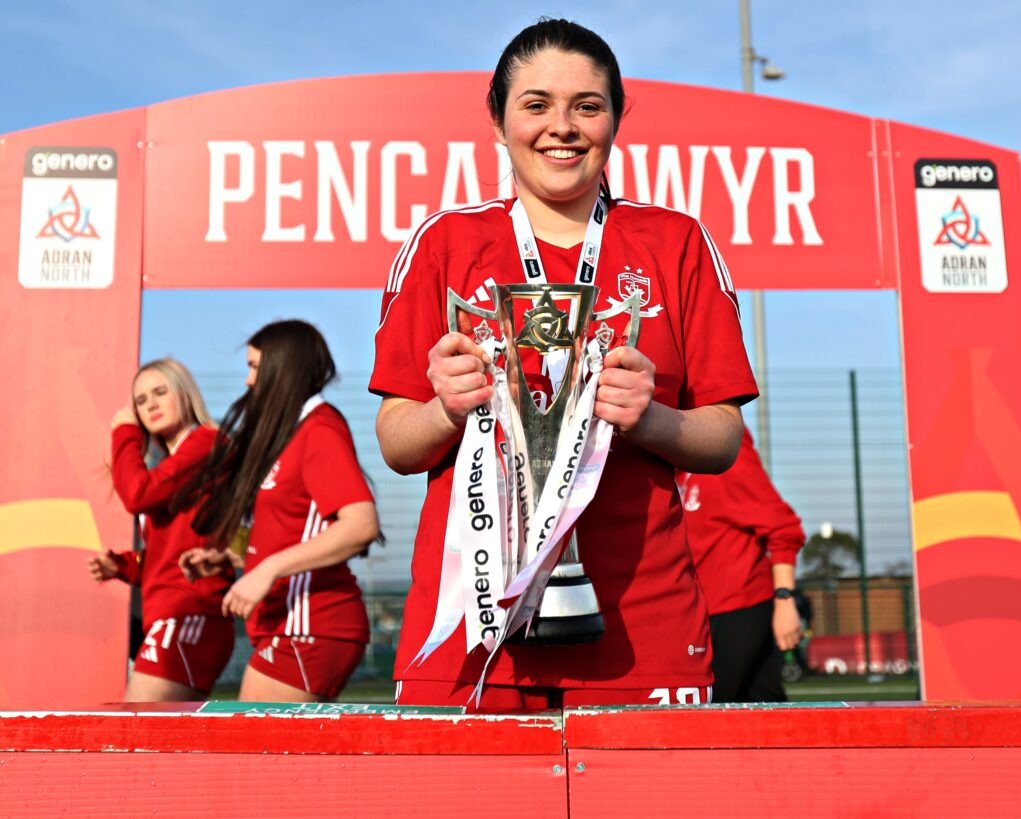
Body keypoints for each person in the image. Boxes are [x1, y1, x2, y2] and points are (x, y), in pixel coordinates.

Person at [370, 18, 758, 711]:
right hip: (473, 630)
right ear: (498, 119)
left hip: (645, 627)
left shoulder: (676, 241)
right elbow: (397, 441)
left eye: (588, 105)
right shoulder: (444, 242)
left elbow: (722, 437)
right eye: (537, 104)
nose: (563, 127)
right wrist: (444, 409)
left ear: (616, 117)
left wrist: (651, 419)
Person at [179, 320, 380, 703]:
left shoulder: (320, 429)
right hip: (286, 624)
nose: (248, 381)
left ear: (281, 369)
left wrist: (267, 572)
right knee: (271, 760)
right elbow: (294, 529)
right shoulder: (294, 432)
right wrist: (232, 558)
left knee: (250, 753)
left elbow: (360, 524)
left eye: (254, 367)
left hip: (312, 624)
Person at [88, 358, 234, 701]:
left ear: (184, 393)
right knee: (155, 742)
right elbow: (171, 549)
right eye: (140, 401)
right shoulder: (176, 460)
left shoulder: (206, 442)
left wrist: (124, 432)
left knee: (134, 733)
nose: (150, 404)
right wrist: (124, 565)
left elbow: (137, 494)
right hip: (172, 613)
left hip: (189, 611)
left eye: (159, 392)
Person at [679, 427, 806, 702]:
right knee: (764, 709)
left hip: (738, 605)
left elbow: (783, 527)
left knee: (711, 713)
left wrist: (785, 599)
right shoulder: (668, 464)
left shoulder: (722, 451)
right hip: (701, 611)